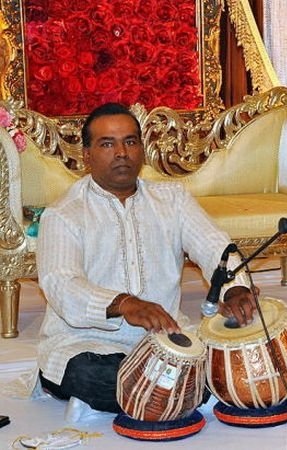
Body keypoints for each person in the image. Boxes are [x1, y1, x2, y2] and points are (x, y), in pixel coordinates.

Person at [36, 103, 257, 413]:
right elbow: (62, 286)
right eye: (107, 144)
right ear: (86, 155)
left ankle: (169, 393)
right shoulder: (63, 215)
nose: (122, 152)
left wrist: (234, 286)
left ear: (142, 148)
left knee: (240, 354)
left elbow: (214, 246)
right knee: (93, 375)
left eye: (130, 141)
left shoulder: (172, 200)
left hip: (168, 342)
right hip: (87, 345)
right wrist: (125, 304)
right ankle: (187, 392)